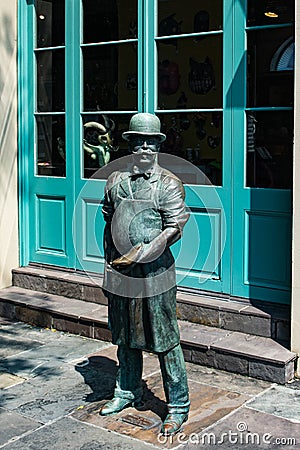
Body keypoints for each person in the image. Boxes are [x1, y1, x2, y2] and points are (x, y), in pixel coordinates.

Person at [100, 112, 190, 436]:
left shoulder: (167, 184)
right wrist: (110, 265)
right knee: (124, 335)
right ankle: (127, 390)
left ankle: (178, 405)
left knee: (165, 340)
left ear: (158, 146)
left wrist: (147, 249)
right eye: (138, 142)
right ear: (130, 145)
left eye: (150, 143)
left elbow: (174, 227)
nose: (144, 149)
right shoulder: (115, 182)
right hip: (122, 273)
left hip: (156, 275)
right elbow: (108, 220)